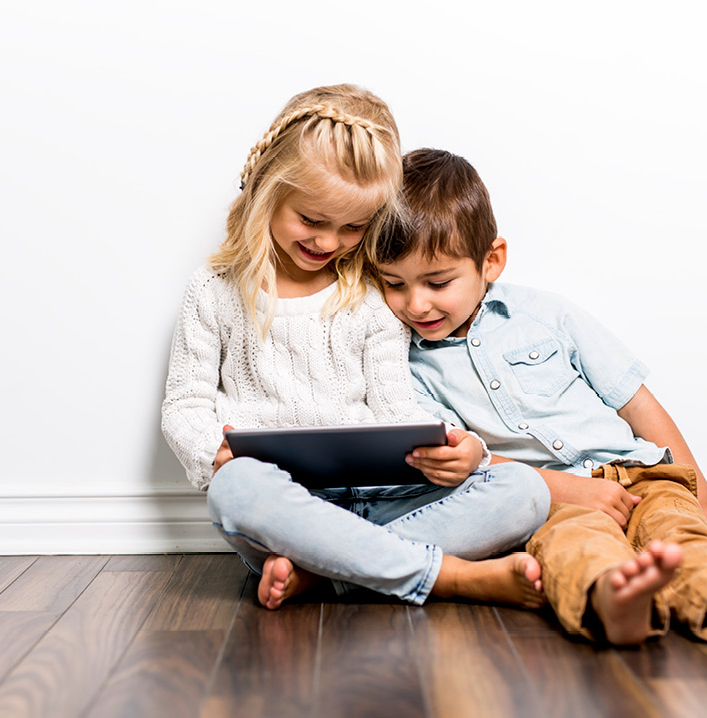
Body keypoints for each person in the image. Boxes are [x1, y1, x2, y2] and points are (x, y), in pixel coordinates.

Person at [374, 148, 707, 645]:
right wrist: (565, 490)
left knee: (677, 528)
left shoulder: (549, 317)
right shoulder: (405, 365)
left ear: (491, 261)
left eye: (437, 282)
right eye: (394, 284)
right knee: (574, 545)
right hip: (553, 499)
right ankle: (611, 599)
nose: (416, 303)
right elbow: (471, 461)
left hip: (639, 475)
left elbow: (638, 406)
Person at [161, 87, 550, 611]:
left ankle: (326, 573)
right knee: (235, 490)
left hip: (388, 499)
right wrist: (213, 453)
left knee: (525, 491)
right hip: (289, 511)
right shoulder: (214, 289)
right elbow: (185, 404)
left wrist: (463, 450)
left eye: (354, 227)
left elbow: (395, 407)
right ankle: (450, 577)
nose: (329, 242)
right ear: (265, 190)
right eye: (312, 220)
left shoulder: (369, 294)